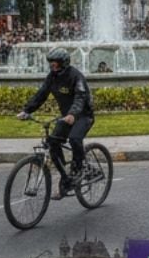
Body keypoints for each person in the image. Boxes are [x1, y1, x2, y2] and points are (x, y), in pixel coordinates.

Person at [15, 47, 94, 199]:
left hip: (83, 116)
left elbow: (80, 97)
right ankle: (65, 175)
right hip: (67, 117)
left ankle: (79, 170)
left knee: (74, 139)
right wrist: (27, 111)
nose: (52, 66)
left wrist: (72, 113)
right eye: (50, 63)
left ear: (63, 63)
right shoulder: (52, 77)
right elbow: (41, 95)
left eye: (55, 63)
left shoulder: (75, 76)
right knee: (53, 142)